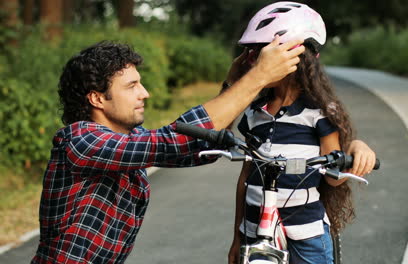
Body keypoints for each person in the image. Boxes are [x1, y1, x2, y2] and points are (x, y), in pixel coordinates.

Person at [31, 39, 306, 263]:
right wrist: (257, 77)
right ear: (97, 98)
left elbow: (200, 148)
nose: (145, 93)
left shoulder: (131, 137)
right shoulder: (79, 141)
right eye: (131, 86)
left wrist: (234, 84)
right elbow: (172, 141)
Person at [227, 2, 376, 264]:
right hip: (253, 230)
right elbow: (246, 176)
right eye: (250, 55)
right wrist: (237, 237)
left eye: (258, 55)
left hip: (305, 232)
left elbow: (333, 176)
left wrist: (355, 153)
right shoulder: (255, 111)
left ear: (295, 58)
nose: (252, 63)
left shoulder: (319, 111)